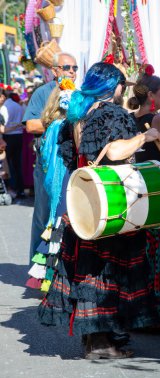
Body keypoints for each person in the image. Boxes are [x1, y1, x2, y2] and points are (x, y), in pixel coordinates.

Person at [38, 61, 160, 360]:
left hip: (84, 202)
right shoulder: (111, 113)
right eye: (121, 85)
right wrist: (144, 137)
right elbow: (115, 151)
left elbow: (77, 156)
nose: (122, 90)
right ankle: (103, 342)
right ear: (114, 87)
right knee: (109, 271)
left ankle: (95, 339)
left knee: (88, 268)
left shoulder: (78, 116)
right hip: (110, 200)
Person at [127, 65, 160, 329]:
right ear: (154, 96)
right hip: (158, 186)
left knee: (142, 250)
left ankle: (140, 310)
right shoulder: (157, 120)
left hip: (138, 186)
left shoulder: (130, 117)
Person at [22, 52, 78, 263]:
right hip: (47, 164)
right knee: (43, 216)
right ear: (55, 71)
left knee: (68, 217)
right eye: (67, 68)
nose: (71, 72)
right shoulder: (43, 93)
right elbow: (30, 125)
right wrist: (57, 119)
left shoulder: (79, 94)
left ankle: (61, 270)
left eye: (74, 68)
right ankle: (37, 267)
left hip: (71, 164)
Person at [0, 89, 24, 198]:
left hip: (8, 137)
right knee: (17, 164)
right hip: (18, 136)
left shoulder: (4, 108)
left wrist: (14, 127)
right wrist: (17, 126)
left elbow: (3, 129)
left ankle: (11, 189)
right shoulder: (18, 106)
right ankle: (20, 189)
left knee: (7, 165)